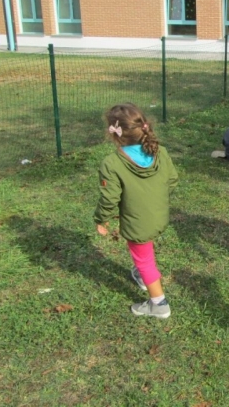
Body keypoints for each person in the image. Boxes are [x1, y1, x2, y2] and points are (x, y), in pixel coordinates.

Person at [94, 103, 178, 319]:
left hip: (138, 222)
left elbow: (110, 197)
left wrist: (101, 219)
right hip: (159, 215)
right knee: (144, 254)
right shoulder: (161, 151)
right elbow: (172, 180)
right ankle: (143, 277)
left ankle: (159, 304)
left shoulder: (111, 163)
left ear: (114, 134)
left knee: (144, 259)